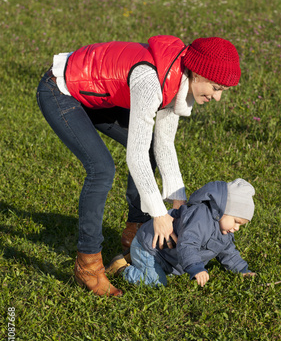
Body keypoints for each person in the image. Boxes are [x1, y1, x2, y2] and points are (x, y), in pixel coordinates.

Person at [36, 35, 241, 297]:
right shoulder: (150, 81)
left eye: (223, 90)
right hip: (60, 90)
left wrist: (178, 203)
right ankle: (87, 264)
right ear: (197, 73)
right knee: (101, 170)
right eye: (216, 87)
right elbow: (136, 155)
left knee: (153, 146)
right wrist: (159, 214)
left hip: (97, 97)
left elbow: (164, 146)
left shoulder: (180, 82)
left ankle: (135, 234)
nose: (218, 97)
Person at [106, 179, 256, 287]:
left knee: (164, 273)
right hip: (151, 249)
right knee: (156, 281)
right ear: (223, 210)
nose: (236, 228)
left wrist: (242, 270)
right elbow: (187, 244)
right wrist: (196, 267)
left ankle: (132, 257)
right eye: (236, 221)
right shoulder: (200, 219)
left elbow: (228, 252)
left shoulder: (224, 231)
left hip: (165, 257)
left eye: (240, 225)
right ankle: (122, 269)